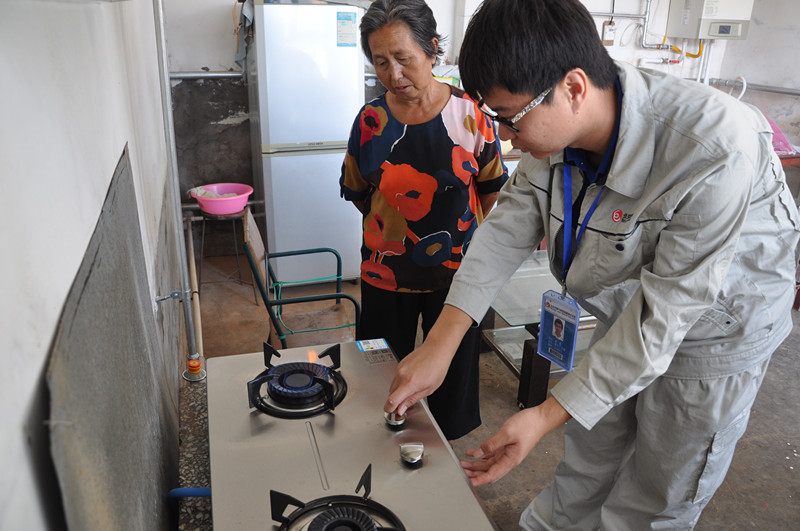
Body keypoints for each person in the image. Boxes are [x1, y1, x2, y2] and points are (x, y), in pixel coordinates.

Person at [383, 0, 800, 528]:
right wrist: (439, 345)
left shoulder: (714, 148)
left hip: (714, 331)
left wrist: (542, 416)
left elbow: (665, 316)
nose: (505, 136)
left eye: (509, 118)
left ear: (573, 88)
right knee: (589, 446)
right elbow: (507, 226)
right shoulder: (564, 120)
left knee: (657, 487)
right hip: (625, 301)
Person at [339, 0, 508, 440]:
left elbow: (492, 193)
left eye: (403, 58)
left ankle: (445, 470)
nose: (393, 74)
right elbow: (359, 191)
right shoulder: (370, 121)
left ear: (433, 51)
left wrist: (468, 245)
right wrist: (395, 232)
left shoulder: (471, 116)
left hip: (457, 280)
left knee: (451, 382)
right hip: (384, 274)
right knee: (380, 382)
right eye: (380, 61)